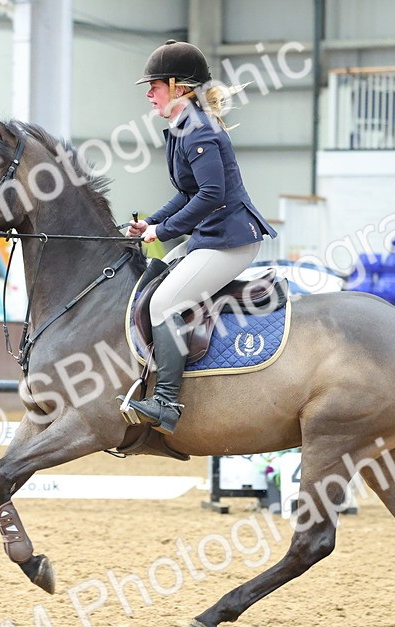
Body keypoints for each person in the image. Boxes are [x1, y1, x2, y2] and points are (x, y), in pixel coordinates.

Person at [127, 40, 277, 434]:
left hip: (230, 239)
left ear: (178, 86)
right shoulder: (181, 127)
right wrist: (152, 222)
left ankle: (167, 403)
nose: (149, 93)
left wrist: (164, 230)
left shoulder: (198, 130)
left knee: (162, 304)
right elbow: (187, 191)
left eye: (155, 85)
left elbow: (211, 195)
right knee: (155, 276)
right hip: (211, 235)